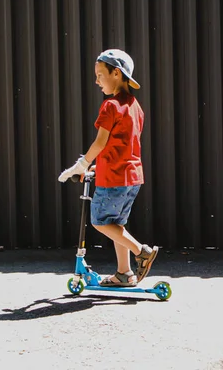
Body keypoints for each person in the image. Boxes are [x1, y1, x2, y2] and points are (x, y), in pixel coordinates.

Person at [58, 49, 158, 287]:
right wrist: (95, 167)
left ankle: (140, 251)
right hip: (132, 176)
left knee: (101, 222)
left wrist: (82, 164)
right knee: (116, 224)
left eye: (100, 74)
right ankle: (124, 273)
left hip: (113, 177)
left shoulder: (110, 105)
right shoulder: (135, 106)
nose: (96, 80)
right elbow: (121, 145)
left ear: (116, 73)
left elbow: (101, 142)